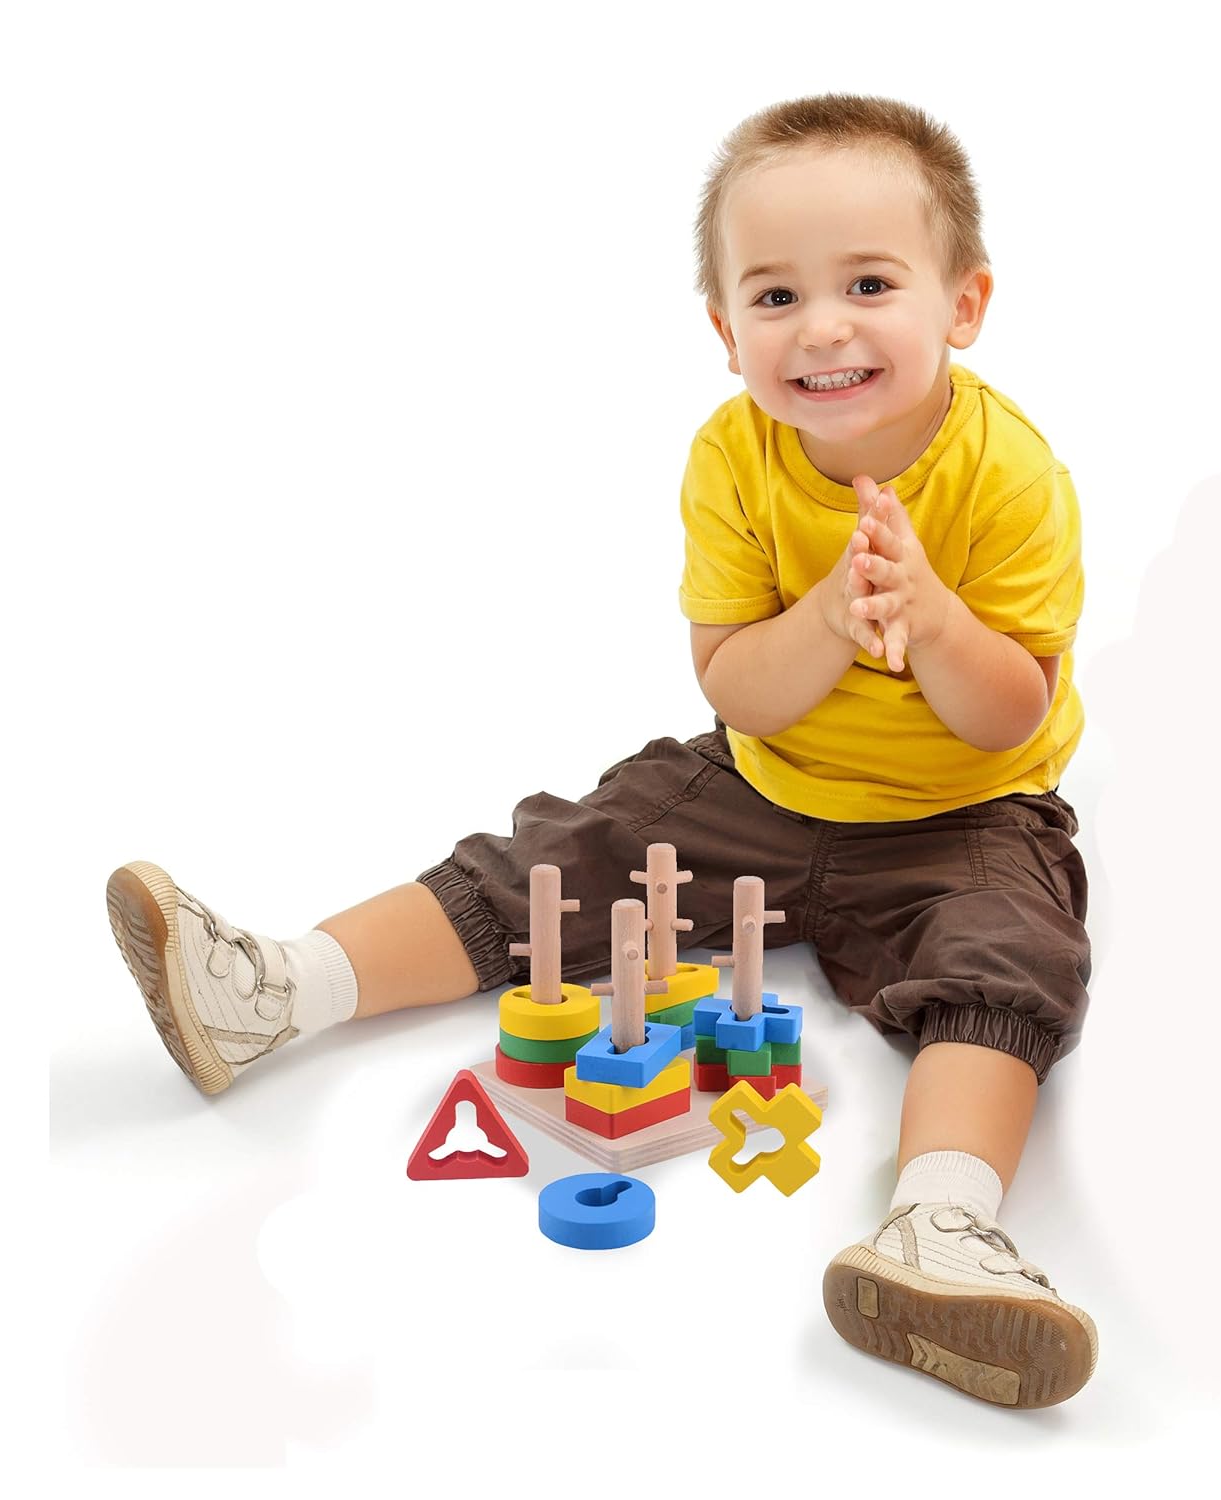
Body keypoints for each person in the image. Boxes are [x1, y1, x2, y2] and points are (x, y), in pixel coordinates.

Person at [105, 91, 1096, 1409]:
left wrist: (933, 620)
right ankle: (282, 988)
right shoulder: (731, 458)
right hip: (761, 782)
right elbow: (737, 688)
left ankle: (942, 1225)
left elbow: (1010, 714)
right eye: (776, 295)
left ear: (963, 305)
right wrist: (826, 619)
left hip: (962, 811)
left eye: (869, 284)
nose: (823, 327)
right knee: (568, 851)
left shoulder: (1009, 474)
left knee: (1005, 957)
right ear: (725, 330)